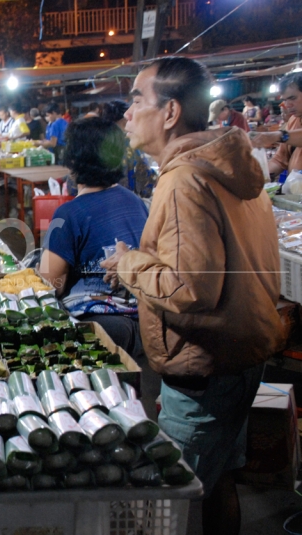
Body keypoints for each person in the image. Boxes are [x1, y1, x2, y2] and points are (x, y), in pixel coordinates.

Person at [101, 57, 284, 535]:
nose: (127, 113)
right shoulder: (229, 166)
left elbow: (189, 287)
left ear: (170, 112)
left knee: (176, 502)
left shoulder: (186, 180)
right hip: (239, 356)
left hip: (206, 366)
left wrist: (127, 263)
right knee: (219, 482)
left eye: (137, 100)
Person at [39, 118, 152, 412]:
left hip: (103, 330)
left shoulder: (69, 213)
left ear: (73, 161)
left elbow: (51, 284)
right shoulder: (136, 201)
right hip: (148, 324)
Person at [102, 100, 157, 198]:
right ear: (125, 120)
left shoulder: (95, 142)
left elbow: (73, 186)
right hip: (127, 203)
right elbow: (145, 186)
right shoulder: (131, 144)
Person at [252, 73, 302, 177]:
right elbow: (280, 160)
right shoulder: (293, 121)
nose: (287, 105)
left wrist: (277, 135)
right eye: (285, 100)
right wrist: (261, 177)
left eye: (292, 98)